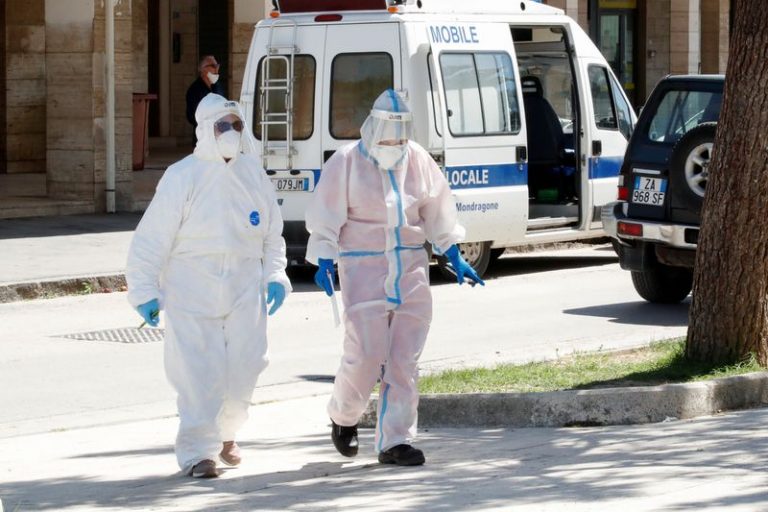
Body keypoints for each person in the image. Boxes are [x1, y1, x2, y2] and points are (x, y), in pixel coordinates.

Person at [305, 89, 484, 467]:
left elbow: (438, 208)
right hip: (363, 268)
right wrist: (323, 259)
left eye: (401, 137)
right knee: (365, 355)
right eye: (389, 136)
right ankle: (344, 415)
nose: (395, 144)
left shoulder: (417, 159)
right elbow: (325, 217)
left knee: (404, 360)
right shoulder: (347, 162)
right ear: (371, 128)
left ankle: (395, 440)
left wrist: (452, 251)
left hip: (410, 269)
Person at [126, 93, 291, 478]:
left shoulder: (253, 174)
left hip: (244, 286)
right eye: (222, 126)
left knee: (247, 366)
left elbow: (273, 235)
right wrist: (145, 290)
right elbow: (151, 238)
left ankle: (227, 433)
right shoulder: (183, 176)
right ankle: (199, 452)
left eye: (236, 125)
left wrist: (275, 274)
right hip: (190, 289)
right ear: (205, 130)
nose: (231, 132)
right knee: (198, 373)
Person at [186, 55, 225, 134]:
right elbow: (192, 116)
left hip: (219, 135)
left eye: (217, 66)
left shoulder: (218, 86)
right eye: (213, 66)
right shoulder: (194, 90)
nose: (217, 69)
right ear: (202, 70)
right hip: (203, 136)